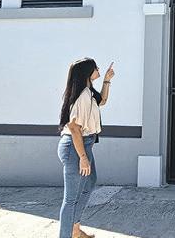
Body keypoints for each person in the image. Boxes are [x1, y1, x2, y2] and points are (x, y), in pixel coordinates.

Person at [57, 58, 115, 238]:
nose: (98, 69)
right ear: (88, 72)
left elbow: (102, 100)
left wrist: (106, 80)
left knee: (89, 183)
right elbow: (74, 128)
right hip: (75, 147)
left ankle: (74, 229)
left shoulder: (88, 92)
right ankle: (68, 234)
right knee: (71, 199)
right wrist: (83, 157)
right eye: (95, 67)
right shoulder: (83, 96)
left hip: (84, 144)